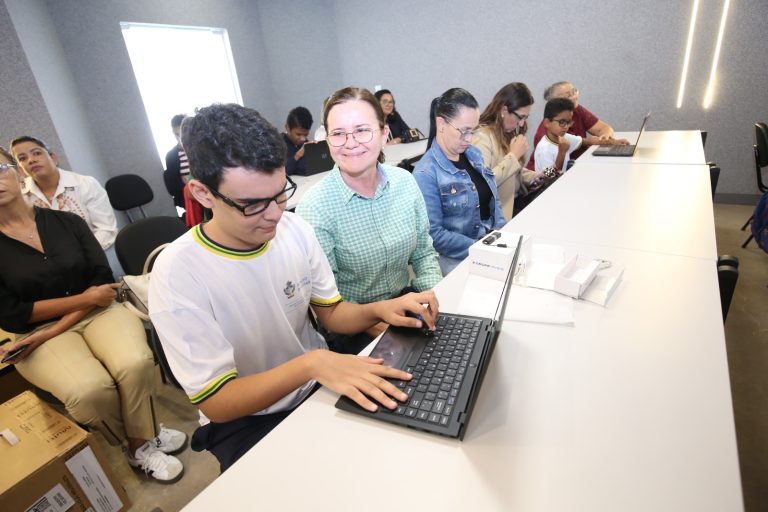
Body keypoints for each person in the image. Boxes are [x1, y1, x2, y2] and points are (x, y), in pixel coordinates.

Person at [148, 103, 439, 472]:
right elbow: (217, 401)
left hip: (317, 382)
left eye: (280, 193)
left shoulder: (294, 229)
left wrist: (376, 310)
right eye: (252, 204)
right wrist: (312, 364)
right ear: (203, 194)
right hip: (248, 418)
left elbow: (331, 313)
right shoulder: (179, 274)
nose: (273, 213)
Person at [0, 146, 187, 482]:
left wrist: (70, 314)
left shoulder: (66, 222)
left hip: (95, 312)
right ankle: (143, 438)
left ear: (16, 171)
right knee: (87, 391)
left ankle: (139, 445)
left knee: (134, 362)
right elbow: (12, 314)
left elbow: (102, 280)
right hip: (34, 331)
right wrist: (68, 315)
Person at [296, 87, 442, 353]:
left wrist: (431, 299)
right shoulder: (315, 208)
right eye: (338, 133)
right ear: (326, 140)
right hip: (354, 326)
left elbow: (423, 253)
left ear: (384, 133)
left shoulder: (405, 183)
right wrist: (380, 324)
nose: (350, 142)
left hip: (407, 304)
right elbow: (329, 306)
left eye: (362, 130)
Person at [413, 88, 506, 275]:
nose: (469, 139)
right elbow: (434, 235)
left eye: (473, 131)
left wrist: (504, 236)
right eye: (464, 131)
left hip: (489, 246)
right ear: (441, 123)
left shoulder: (474, 154)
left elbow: (494, 203)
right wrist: (483, 249)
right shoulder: (426, 173)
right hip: (456, 260)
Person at [10, 135, 122, 276]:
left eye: (37, 153)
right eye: (22, 158)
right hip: (50, 268)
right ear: (20, 170)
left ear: (54, 158)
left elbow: (106, 230)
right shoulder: (20, 196)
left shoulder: (85, 184)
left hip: (97, 255)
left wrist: (76, 257)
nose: (31, 160)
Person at [471, 82, 541, 220]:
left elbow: (510, 174)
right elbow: (483, 183)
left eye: (525, 118)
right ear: (504, 111)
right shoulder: (481, 137)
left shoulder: (506, 132)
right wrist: (514, 156)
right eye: (520, 117)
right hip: (498, 215)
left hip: (515, 202)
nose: (521, 124)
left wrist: (532, 177)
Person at [527, 81, 628, 169]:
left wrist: (616, 142)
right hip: (546, 187)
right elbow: (548, 177)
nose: (566, 127)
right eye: (562, 122)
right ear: (547, 123)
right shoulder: (545, 148)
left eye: (569, 122)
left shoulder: (563, 136)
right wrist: (562, 152)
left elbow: (589, 141)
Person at [164, 114, 189, 214]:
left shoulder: (202, 148)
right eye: (176, 134)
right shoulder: (171, 156)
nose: (180, 138)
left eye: (182, 133)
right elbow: (174, 187)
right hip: (187, 197)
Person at [282, 106, 313, 176]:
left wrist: (314, 152)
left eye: (306, 134)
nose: (303, 139)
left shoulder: (305, 144)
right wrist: (297, 155)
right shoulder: (278, 145)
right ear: (287, 128)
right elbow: (284, 172)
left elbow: (306, 168)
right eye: (298, 134)